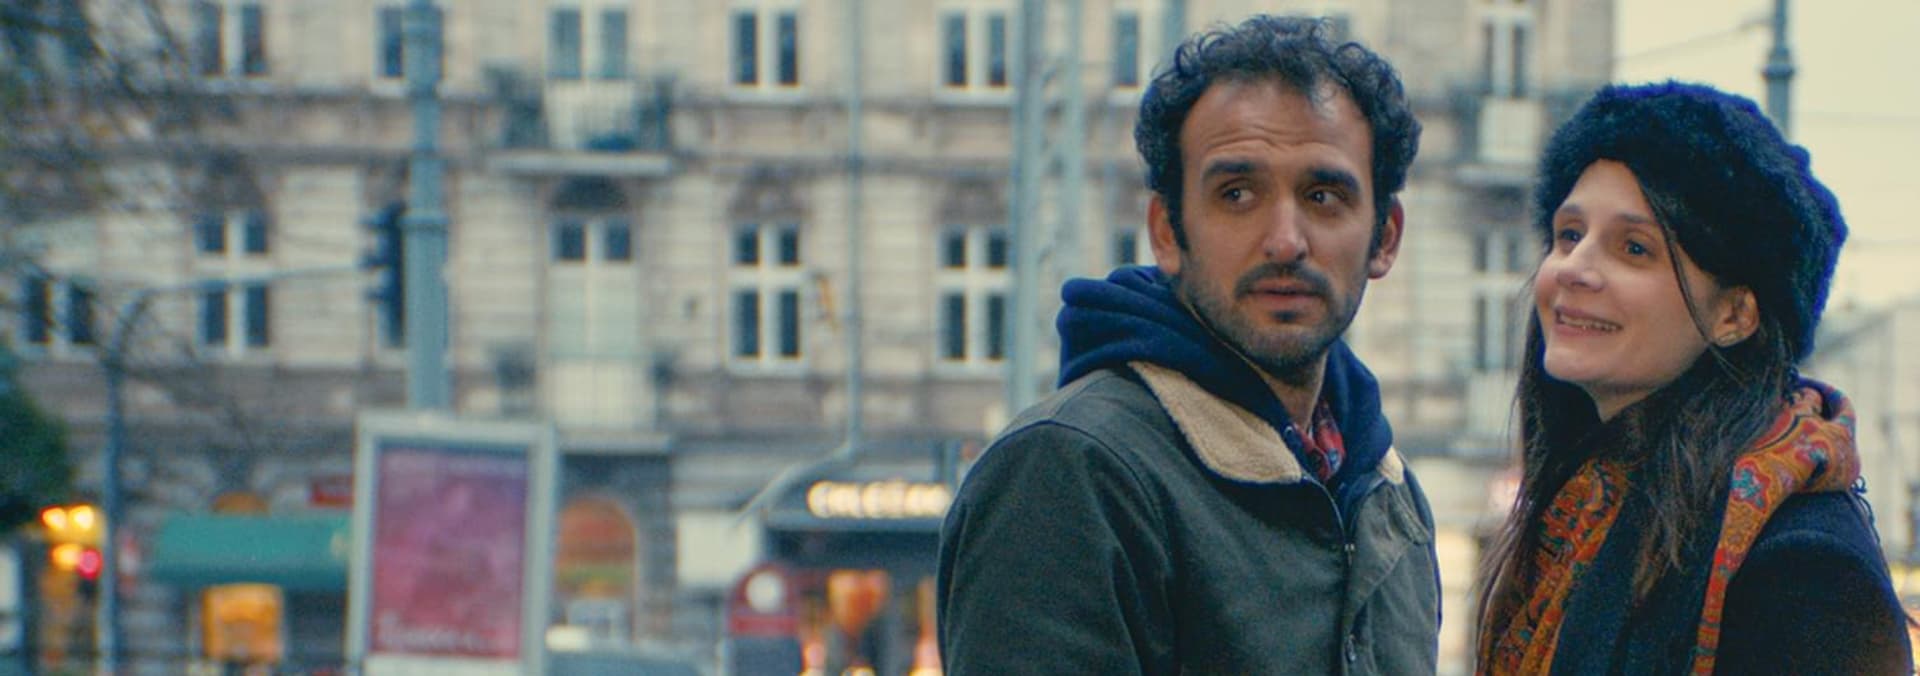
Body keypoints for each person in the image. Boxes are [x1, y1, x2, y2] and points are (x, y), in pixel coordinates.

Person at [936, 15, 1439, 674]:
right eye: (1237, 194)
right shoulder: (1072, 472)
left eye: (1323, 195)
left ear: (1385, 237)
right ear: (1167, 232)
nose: (1285, 241)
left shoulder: (1386, 496)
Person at [1474, 81, 1914, 674]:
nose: (1575, 268)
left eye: (1634, 248)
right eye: (1569, 235)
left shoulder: (1804, 569)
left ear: (1734, 315)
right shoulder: (1583, 507)